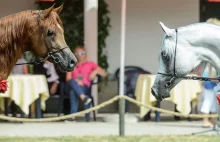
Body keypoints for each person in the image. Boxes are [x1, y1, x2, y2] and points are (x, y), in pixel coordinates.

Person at [65, 45, 107, 121]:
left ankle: (73, 117)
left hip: (86, 87)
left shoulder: (90, 64)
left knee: (73, 91)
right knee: (72, 86)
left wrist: (95, 71)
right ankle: (84, 98)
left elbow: (104, 73)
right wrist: (77, 82)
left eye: (81, 53)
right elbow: (68, 78)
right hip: (74, 85)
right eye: (77, 54)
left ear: (85, 54)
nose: (79, 55)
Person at [199, 64, 217, 128]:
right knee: (208, 102)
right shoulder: (211, 65)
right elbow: (211, 78)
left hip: (212, 85)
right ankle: (205, 121)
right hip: (210, 85)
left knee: (213, 104)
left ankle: (211, 121)